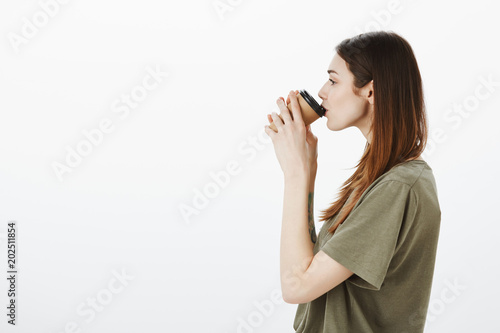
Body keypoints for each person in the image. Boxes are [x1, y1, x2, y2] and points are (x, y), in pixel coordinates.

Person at [264, 30, 441, 333]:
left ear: (370, 91)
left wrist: (294, 175)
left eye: (333, 80)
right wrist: (306, 171)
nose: (322, 91)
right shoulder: (378, 178)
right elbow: (310, 268)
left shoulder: (399, 186)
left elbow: (297, 286)